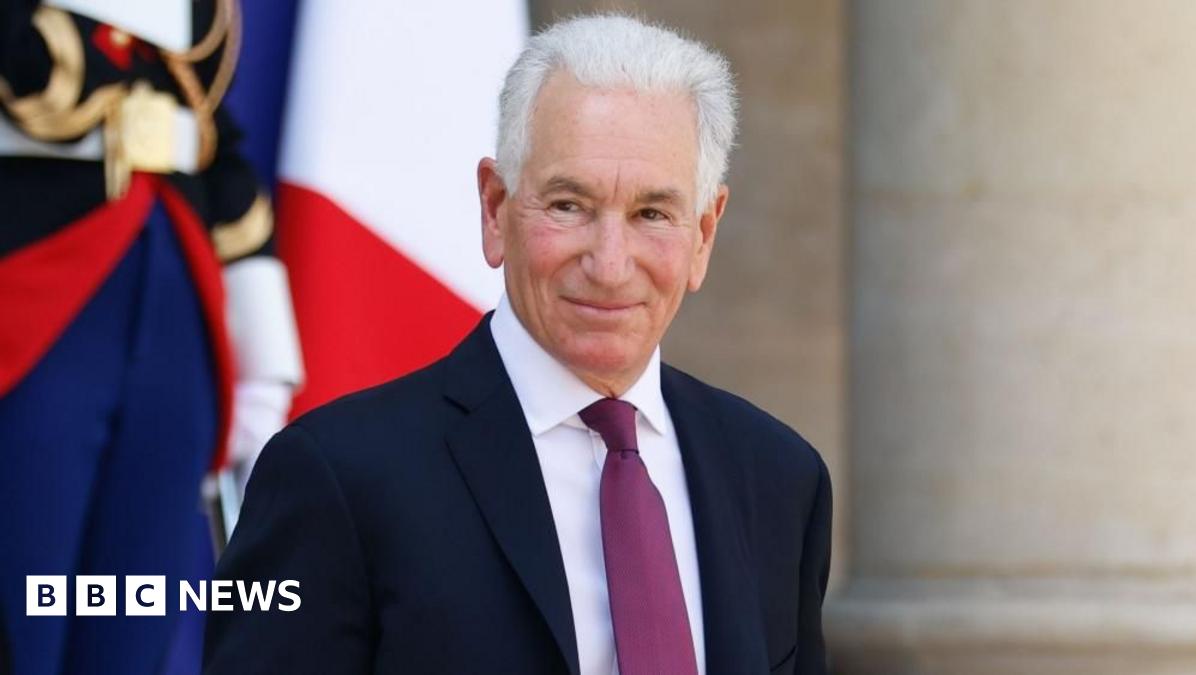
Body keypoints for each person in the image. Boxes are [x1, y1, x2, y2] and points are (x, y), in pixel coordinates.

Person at [205, 13, 831, 675]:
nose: (610, 263)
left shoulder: (780, 478)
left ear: (703, 234)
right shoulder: (335, 477)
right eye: (569, 205)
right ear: (495, 207)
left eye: (652, 213)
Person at [0, 1, 302, 673]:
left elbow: (216, 145)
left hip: (174, 310)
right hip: (30, 300)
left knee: (132, 621)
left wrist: (265, 367)